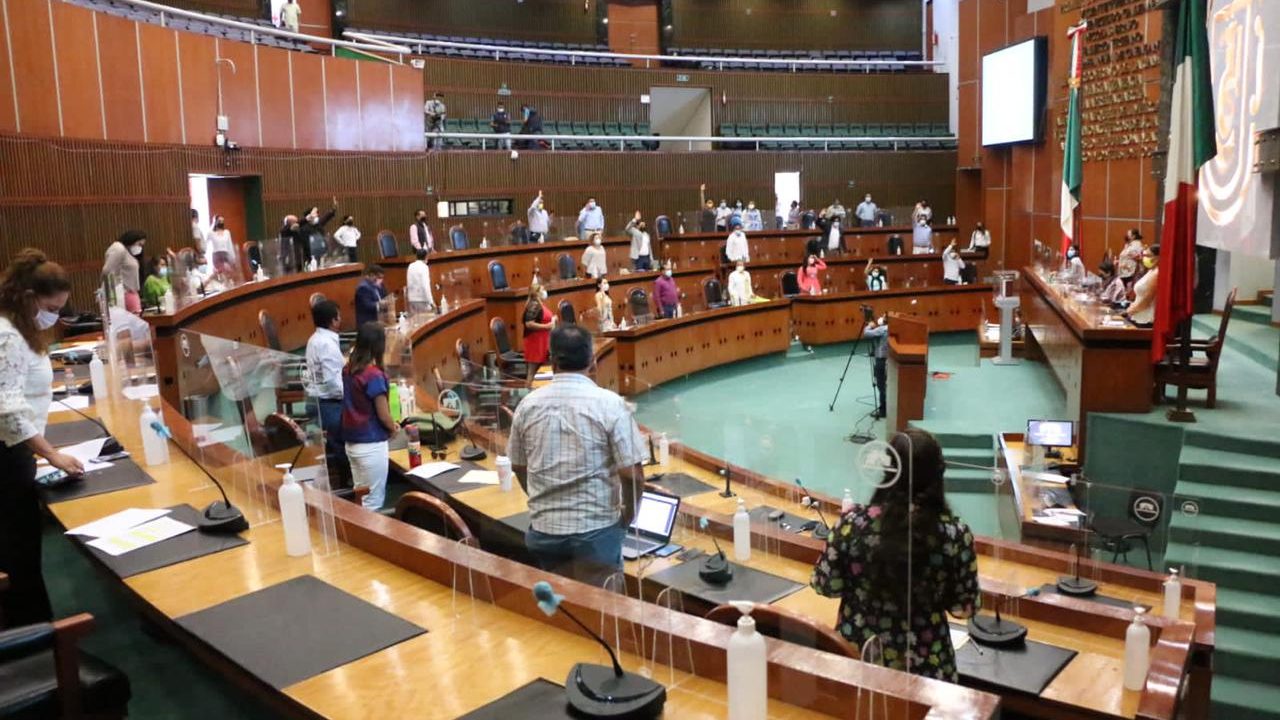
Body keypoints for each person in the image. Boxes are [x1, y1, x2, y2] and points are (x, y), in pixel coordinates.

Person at [810, 428, 980, 682]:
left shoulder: (851, 523)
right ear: (938, 475)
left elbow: (825, 585)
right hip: (927, 668)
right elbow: (964, 608)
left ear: (887, 472)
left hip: (859, 661)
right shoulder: (954, 534)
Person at [507, 325, 645, 586]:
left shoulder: (527, 405)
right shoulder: (610, 404)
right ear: (592, 361)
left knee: (560, 614)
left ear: (551, 359)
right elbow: (633, 474)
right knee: (604, 616)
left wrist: (542, 499)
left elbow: (517, 465)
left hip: (544, 532)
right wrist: (629, 515)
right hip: (596, 533)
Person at [0, 249, 83, 626]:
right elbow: (8, 407)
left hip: (16, 450)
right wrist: (52, 455)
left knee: (22, 549)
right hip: (8, 456)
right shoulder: (7, 335)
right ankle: (32, 636)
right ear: (29, 297)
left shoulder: (19, 328)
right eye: (51, 307)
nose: (53, 316)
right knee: (17, 551)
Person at [341, 322, 398, 510]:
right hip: (371, 444)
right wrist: (394, 428)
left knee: (361, 498)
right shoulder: (373, 375)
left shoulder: (349, 369)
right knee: (373, 502)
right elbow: (383, 414)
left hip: (352, 444)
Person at [305, 299, 351, 489]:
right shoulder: (327, 344)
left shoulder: (315, 339)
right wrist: (353, 395)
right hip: (327, 403)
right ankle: (348, 478)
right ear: (334, 321)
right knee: (355, 426)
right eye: (339, 317)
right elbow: (334, 384)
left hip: (317, 399)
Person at [104, 230, 146, 314]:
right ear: (132, 239)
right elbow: (107, 271)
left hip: (131, 292)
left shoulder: (128, 253)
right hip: (124, 293)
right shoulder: (119, 248)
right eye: (139, 244)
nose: (140, 248)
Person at [522, 281, 555, 383]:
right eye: (542, 290)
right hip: (535, 343)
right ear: (536, 293)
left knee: (540, 371)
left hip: (542, 341)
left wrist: (553, 320)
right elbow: (529, 323)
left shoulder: (538, 304)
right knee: (532, 371)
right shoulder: (534, 305)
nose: (545, 292)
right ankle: (528, 394)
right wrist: (548, 326)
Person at [1123, 245, 1159, 327]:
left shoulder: (1157, 273)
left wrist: (1130, 311)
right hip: (1138, 315)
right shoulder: (1151, 271)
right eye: (1144, 255)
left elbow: (1147, 300)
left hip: (1147, 318)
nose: (1144, 258)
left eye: (1148, 256)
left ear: (1158, 257)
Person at [864, 315, 889, 418]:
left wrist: (869, 326)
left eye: (883, 316)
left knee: (881, 385)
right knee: (887, 384)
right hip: (889, 359)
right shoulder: (893, 328)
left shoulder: (883, 329)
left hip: (881, 360)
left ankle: (883, 410)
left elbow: (866, 334)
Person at [299, 199, 338, 265]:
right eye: (315, 213)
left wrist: (333, 209)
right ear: (309, 216)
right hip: (311, 254)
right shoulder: (304, 228)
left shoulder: (318, 224)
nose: (317, 215)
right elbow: (305, 243)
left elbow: (326, 217)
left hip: (322, 251)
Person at [354, 264, 388, 328]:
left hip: (379, 321)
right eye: (379, 278)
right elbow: (368, 305)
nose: (380, 280)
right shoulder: (363, 287)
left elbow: (384, 296)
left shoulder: (376, 285)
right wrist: (379, 304)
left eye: (382, 278)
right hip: (368, 324)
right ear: (372, 275)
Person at [405, 248, 434, 315]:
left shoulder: (410, 266)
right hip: (422, 300)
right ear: (426, 256)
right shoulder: (424, 267)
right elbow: (425, 286)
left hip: (412, 299)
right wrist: (431, 302)